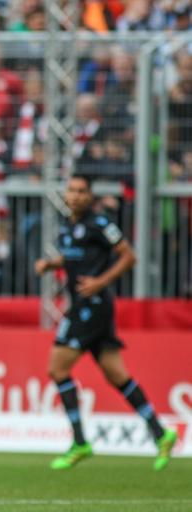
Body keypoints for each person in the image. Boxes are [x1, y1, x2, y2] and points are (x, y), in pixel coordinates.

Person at [35, 174, 177, 471]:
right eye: (71, 190)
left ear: (90, 195)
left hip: (93, 306)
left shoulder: (100, 224)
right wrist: (52, 264)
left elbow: (129, 256)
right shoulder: (69, 227)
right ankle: (161, 433)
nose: (75, 196)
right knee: (117, 375)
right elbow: (75, 258)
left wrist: (100, 282)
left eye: (81, 191)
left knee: (57, 368)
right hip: (84, 305)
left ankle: (80, 441)